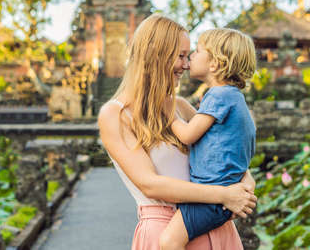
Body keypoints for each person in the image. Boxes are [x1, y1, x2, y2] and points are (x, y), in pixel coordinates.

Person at [98, 14, 257, 250]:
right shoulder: (116, 115)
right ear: (155, 55)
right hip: (167, 232)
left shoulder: (180, 106)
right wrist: (224, 195)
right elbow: (150, 184)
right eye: (181, 56)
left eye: (189, 55)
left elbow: (227, 146)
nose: (187, 64)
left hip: (215, 227)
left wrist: (246, 181)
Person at [159, 28, 257, 250]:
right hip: (222, 192)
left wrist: (169, 113)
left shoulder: (218, 95)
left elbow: (187, 135)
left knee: (169, 242)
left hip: (212, 193)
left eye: (197, 51)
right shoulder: (234, 97)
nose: (190, 57)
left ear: (214, 64)